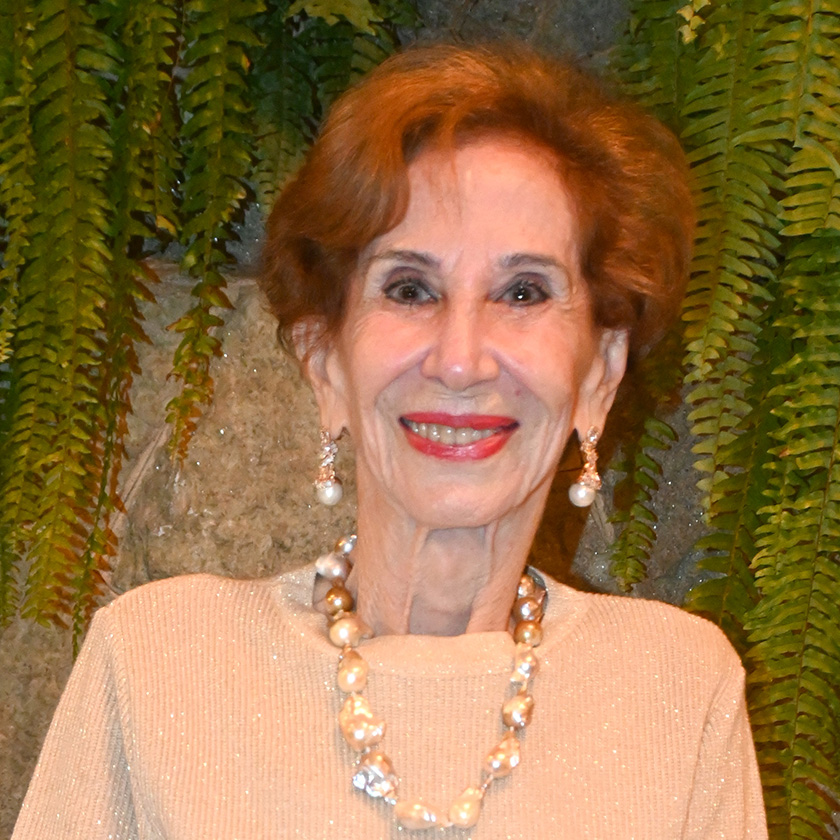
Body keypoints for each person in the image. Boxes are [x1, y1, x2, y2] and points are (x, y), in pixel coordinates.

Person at [13, 43, 767, 838]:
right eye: (410, 289)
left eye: (523, 292)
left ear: (599, 376)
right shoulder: (158, 665)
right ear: (325, 361)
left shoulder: (677, 690)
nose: (461, 360)